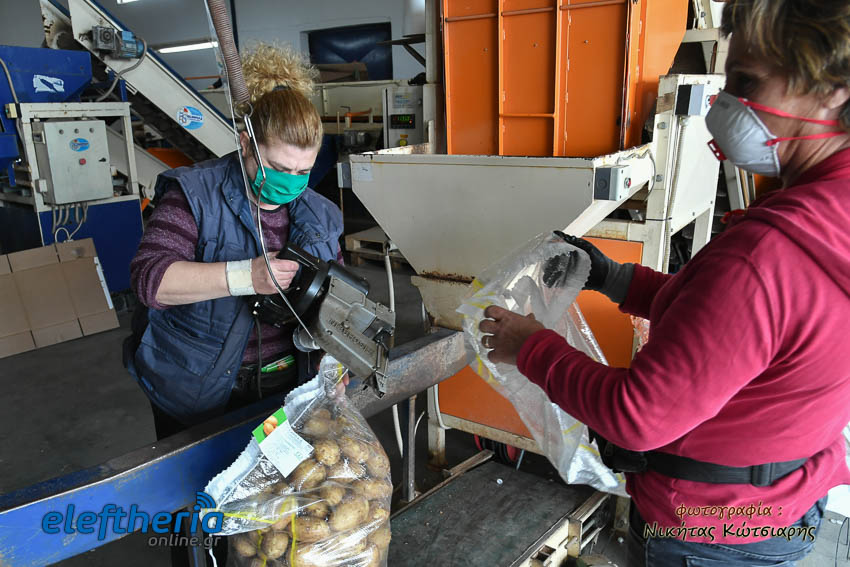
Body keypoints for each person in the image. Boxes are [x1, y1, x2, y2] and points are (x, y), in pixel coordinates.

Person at [478, 1, 850, 565]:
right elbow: (730, 326)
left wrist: (528, 347)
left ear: (834, 91)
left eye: (748, 82)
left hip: (711, 528)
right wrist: (614, 277)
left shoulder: (769, 257)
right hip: (784, 503)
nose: (725, 102)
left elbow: (638, 417)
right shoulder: (826, 217)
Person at [123, 44, 347, 565]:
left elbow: (333, 302)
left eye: (303, 170)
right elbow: (150, 280)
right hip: (196, 391)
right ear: (245, 142)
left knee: (268, 514)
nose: (290, 182)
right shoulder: (194, 195)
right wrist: (244, 276)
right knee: (196, 515)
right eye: (278, 166)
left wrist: (334, 361)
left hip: (284, 389)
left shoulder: (320, 213)